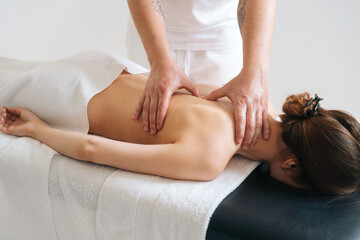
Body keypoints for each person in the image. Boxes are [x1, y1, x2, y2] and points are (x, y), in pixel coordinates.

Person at [1, 71, 359, 196]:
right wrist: (36, 129)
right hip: (64, 98)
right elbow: (93, 149)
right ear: (293, 162)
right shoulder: (209, 159)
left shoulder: (244, 100)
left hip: (99, 68)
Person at [127, 0, 276, 150]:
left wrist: (256, 74)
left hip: (222, 46)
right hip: (152, 34)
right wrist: (159, 62)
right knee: (144, 129)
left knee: (222, 141)